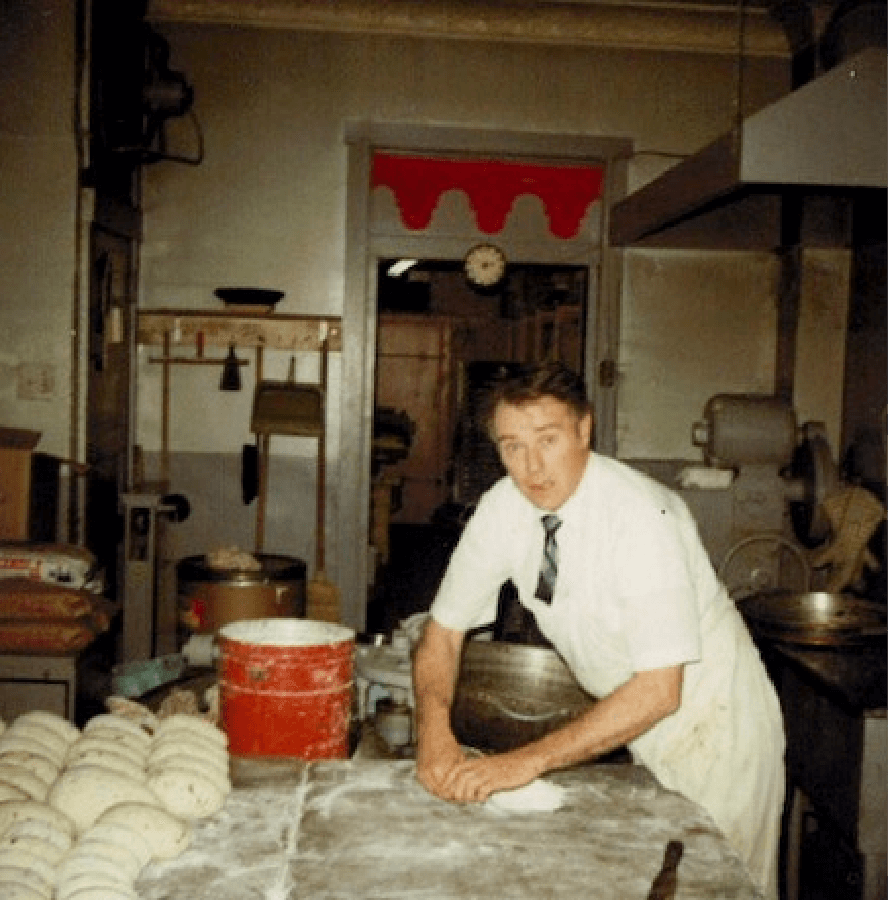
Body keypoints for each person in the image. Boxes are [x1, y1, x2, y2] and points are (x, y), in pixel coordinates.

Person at [412, 361, 785, 900]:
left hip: (720, 735)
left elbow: (660, 690)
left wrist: (520, 763)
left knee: (715, 887)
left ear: (584, 429)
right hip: (640, 728)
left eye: (548, 439)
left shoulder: (640, 515)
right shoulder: (502, 510)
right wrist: (433, 731)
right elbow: (442, 633)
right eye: (512, 446)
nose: (531, 466)